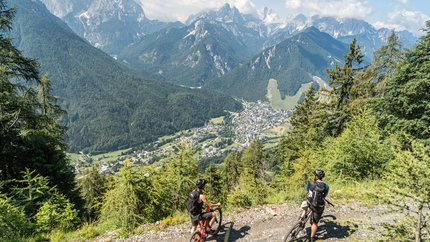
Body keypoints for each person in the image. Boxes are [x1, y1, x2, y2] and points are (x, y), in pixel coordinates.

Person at [306, 170, 329, 242]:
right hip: (318, 206)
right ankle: (312, 238)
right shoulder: (326, 186)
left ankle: (301, 221)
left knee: (304, 206)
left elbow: (307, 189)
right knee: (315, 223)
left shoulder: (310, 183)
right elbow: (324, 195)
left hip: (309, 202)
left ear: (316, 176)